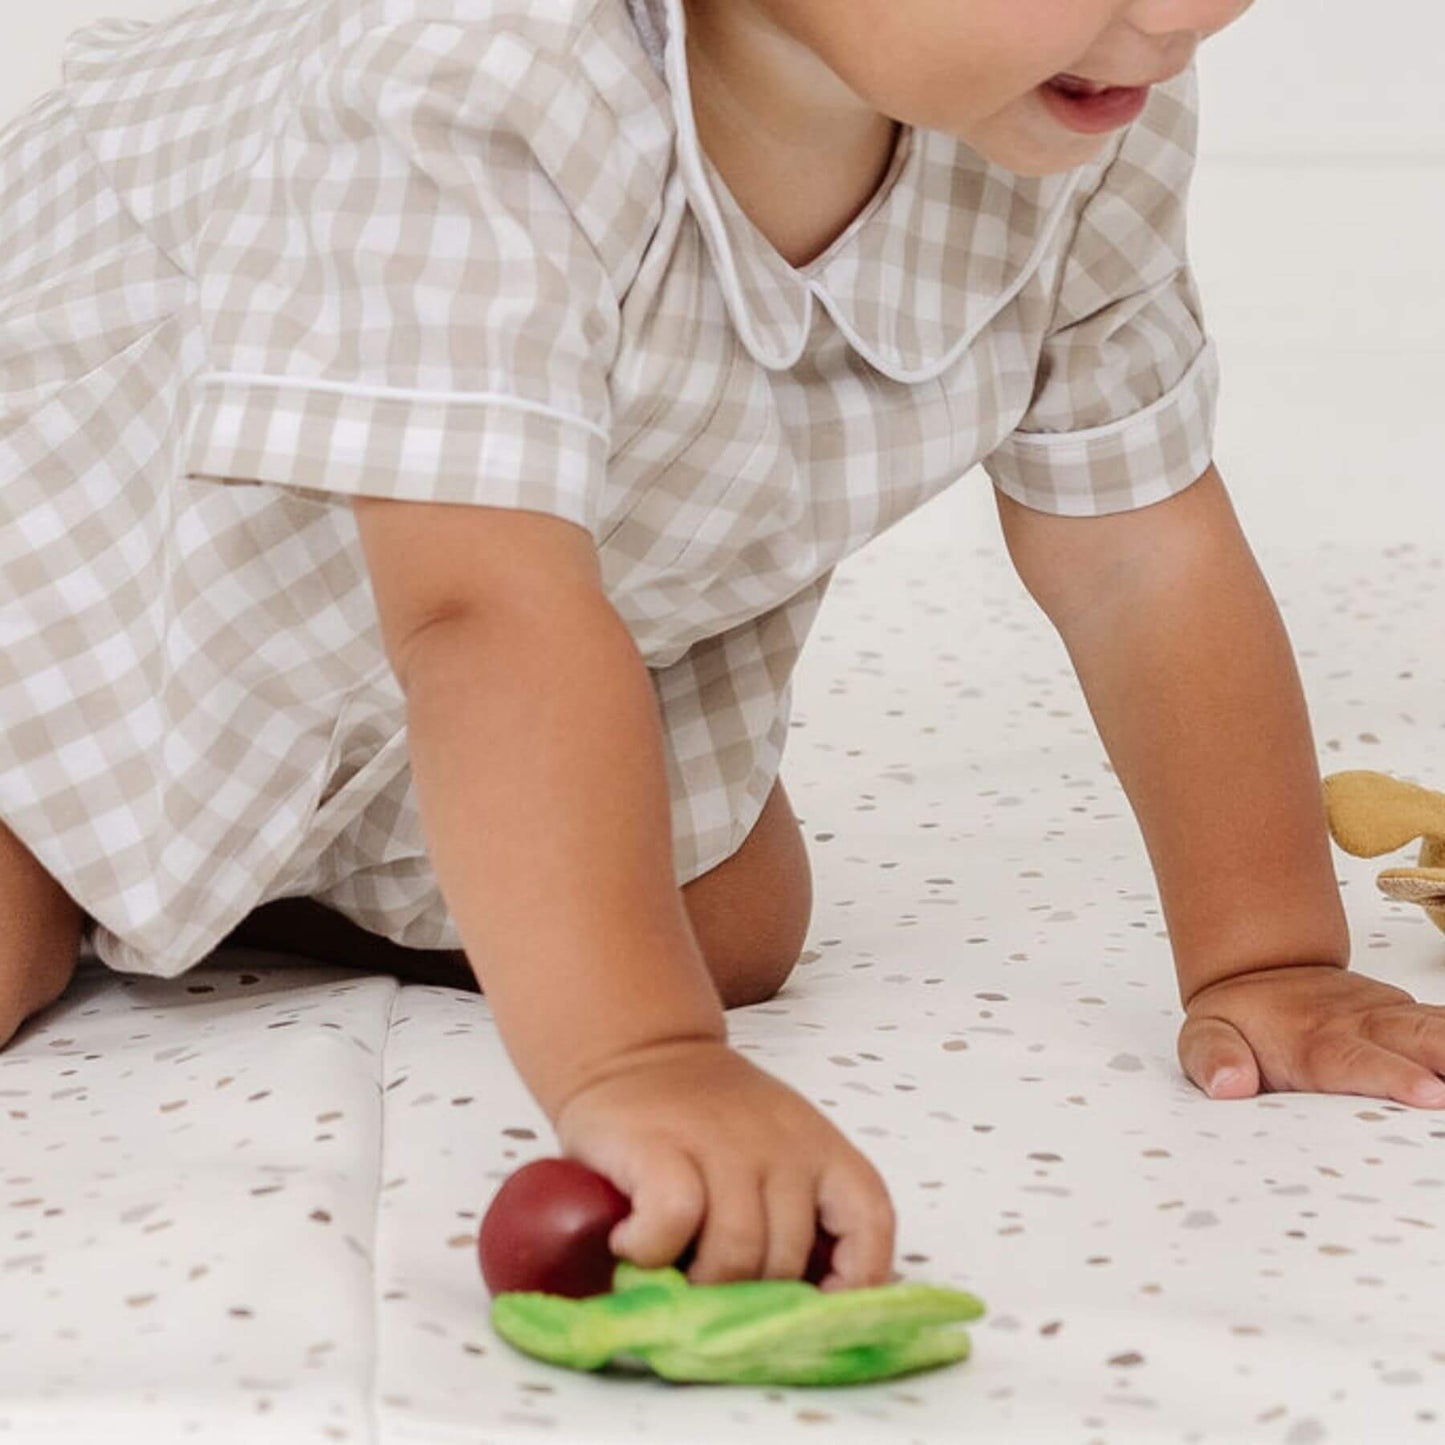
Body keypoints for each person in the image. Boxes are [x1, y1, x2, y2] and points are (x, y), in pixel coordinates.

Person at [4, 0, 1441, 1295]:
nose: (1191, 10)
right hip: (95, 571)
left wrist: (1267, 957)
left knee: (729, 924)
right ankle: (72, 858)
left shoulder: (1065, 105)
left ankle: (248, 874)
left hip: (444, 618)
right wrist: (641, 1060)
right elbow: (482, 610)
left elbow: (1138, 546)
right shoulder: (469, 74)